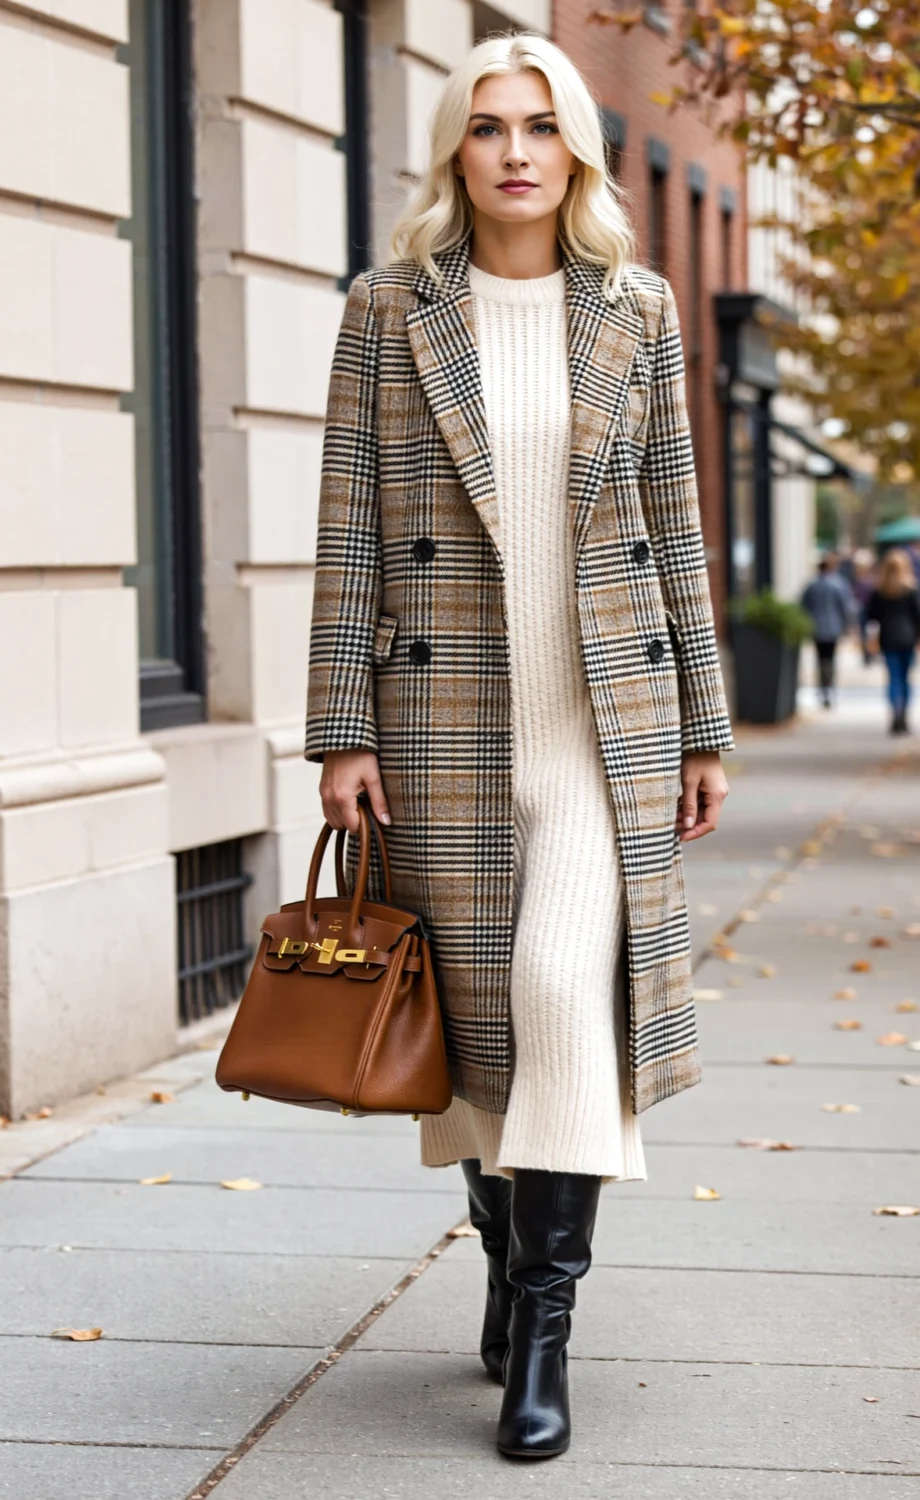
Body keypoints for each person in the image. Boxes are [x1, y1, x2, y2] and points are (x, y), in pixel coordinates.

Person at [305, 32, 732, 1460]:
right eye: (487, 126)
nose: (514, 152)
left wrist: (706, 727)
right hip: (441, 728)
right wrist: (338, 730)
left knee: (561, 999)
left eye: (541, 126)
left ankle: (544, 1331)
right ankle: (500, 1252)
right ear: (455, 149)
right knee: (486, 1042)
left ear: (577, 152)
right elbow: (349, 528)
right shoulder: (388, 310)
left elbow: (675, 525)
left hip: (604, 726)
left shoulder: (641, 309)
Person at [866, 548, 920, 734]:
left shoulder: (880, 591)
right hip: (907, 638)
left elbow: (871, 618)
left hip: (888, 638)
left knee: (894, 678)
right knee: (905, 678)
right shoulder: (911, 590)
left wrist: (870, 640)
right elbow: (917, 616)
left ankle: (896, 711)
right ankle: (903, 712)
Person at [800, 554, 854, 707]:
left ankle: (823, 689)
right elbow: (846, 607)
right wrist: (849, 625)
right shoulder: (838, 584)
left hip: (817, 628)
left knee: (820, 659)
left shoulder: (812, 585)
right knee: (830, 659)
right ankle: (829, 688)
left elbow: (804, 606)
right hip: (833, 628)